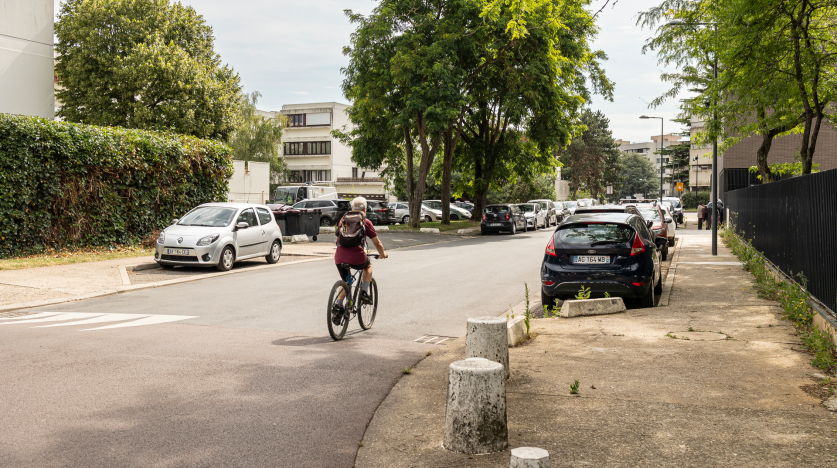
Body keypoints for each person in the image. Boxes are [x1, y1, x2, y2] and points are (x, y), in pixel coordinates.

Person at [334, 197, 387, 306]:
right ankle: (363, 292)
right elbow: (377, 243)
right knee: (368, 265)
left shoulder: (343, 220)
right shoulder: (365, 222)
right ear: (365, 209)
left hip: (339, 257)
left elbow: (337, 240)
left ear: (352, 208)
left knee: (346, 281)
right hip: (357, 256)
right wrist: (383, 254)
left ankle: (338, 304)